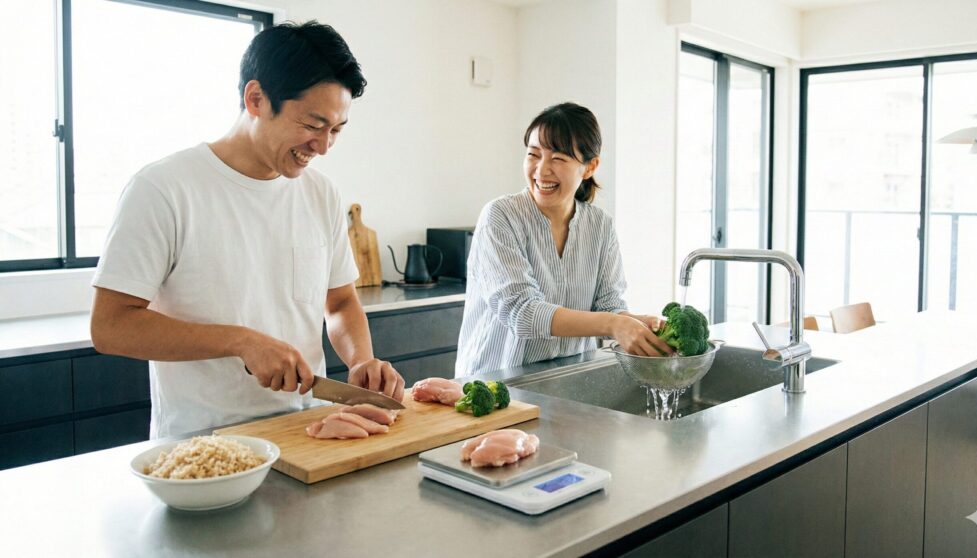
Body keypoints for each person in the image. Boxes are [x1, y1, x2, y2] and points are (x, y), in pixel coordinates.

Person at [90, 21, 405, 438]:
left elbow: (341, 301)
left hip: (308, 433)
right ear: (256, 99)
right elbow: (110, 326)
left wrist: (361, 359)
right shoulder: (164, 188)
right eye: (313, 125)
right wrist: (239, 341)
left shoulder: (321, 194)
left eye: (336, 130)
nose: (324, 146)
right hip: (203, 446)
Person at [455, 102, 671, 376]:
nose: (541, 170)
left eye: (558, 158)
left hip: (566, 381)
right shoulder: (501, 216)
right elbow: (522, 312)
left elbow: (608, 306)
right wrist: (614, 324)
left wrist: (639, 324)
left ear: (590, 166)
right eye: (534, 154)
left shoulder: (600, 226)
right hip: (494, 385)